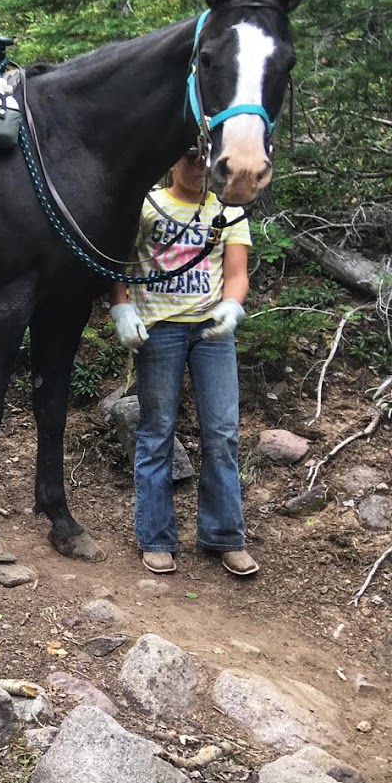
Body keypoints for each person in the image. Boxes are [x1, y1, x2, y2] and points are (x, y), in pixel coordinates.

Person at [110, 147, 256, 577]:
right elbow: (118, 261)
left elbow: (236, 272)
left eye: (205, 159)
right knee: (156, 431)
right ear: (172, 161)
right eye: (189, 156)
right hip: (160, 330)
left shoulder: (227, 211)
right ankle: (155, 538)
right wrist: (121, 308)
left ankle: (224, 536)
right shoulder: (147, 205)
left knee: (223, 432)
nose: (197, 166)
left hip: (212, 333)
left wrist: (233, 305)